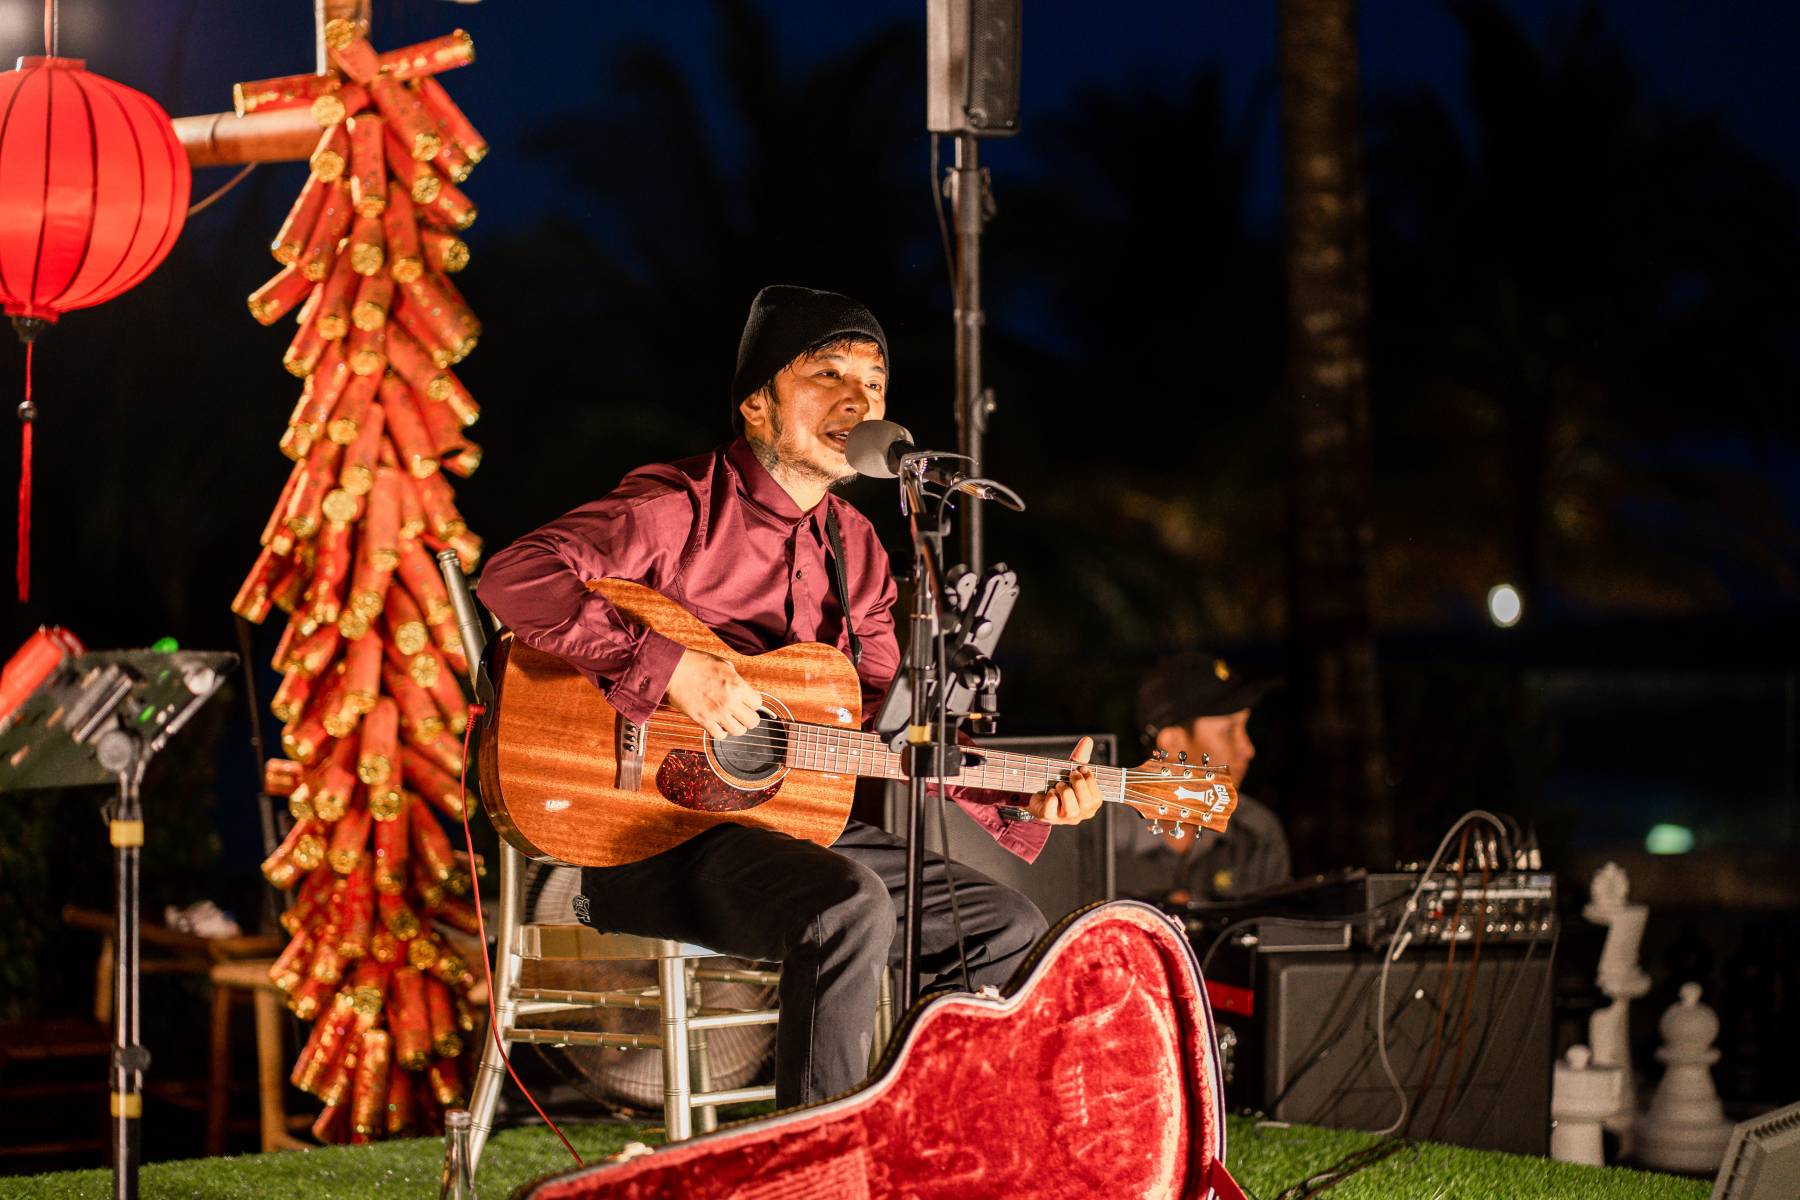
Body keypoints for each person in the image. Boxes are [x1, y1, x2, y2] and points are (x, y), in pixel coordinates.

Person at [477, 285, 1105, 1108]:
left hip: (793, 827)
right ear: (758, 407)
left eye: (874, 383)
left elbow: (896, 722)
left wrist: (1019, 794)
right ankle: (816, 1161)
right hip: (643, 834)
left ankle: (933, 1137)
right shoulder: (674, 510)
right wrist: (673, 669)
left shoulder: (859, 546)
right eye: (827, 374)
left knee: (1005, 928)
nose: (859, 399)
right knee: (848, 905)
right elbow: (514, 578)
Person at [1114, 650, 1291, 904]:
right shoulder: (1103, 838)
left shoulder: (1255, 834)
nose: (1248, 748)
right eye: (1228, 730)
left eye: (1245, 728)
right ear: (1172, 742)